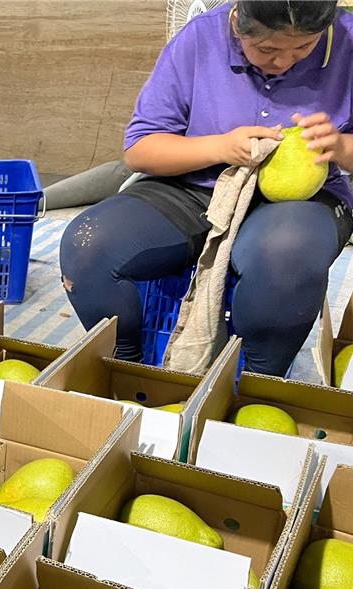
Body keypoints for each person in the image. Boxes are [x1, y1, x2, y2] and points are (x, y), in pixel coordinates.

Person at [59, 0, 353, 377]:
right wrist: (220, 147)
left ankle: (256, 386)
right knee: (88, 245)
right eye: (266, 49)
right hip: (194, 187)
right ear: (237, 23)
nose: (285, 62)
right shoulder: (199, 39)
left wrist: (341, 148)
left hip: (305, 199)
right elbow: (141, 149)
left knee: (285, 253)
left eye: (304, 48)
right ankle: (124, 371)